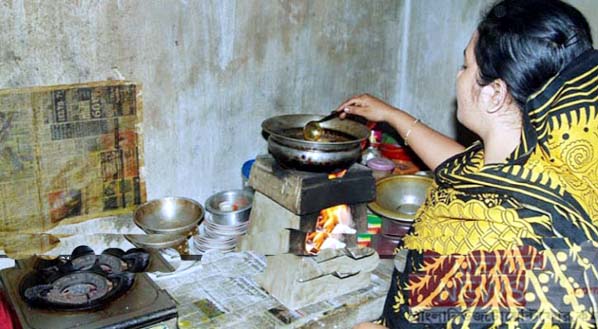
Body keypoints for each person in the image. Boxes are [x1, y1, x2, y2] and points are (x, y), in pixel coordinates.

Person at [339, 0, 598, 328]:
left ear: (494, 93)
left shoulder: (486, 248)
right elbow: (463, 169)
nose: (459, 78)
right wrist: (392, 115)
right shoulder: (566, 154)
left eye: (465, 67)